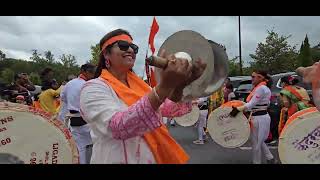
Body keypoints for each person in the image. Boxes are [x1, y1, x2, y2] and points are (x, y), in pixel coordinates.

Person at [79, 29, 206, 164]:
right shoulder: (93, 88)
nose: (130, 50)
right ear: (106, 53)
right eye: (123, 45)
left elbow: (169, 109)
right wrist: (165, 86)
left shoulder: (142, 87)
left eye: (134, 47)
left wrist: (182, 84)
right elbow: (118, 126)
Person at [230, 70, 276, 164]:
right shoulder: (261, 87)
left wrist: (238, 109)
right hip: (259, 116)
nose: (252, 79)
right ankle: (270, 158)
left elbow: (251, 104)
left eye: (253, 77)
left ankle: (257, 162)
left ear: (260, 78)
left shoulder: (261, 88)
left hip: (259, 118)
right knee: (259, 141)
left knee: (256, 143)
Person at [59, 63, 96, 164]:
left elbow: (63, 98)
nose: (93, 75)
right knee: (99, 146)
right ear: (84, 71)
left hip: (75, 121)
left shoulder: (69, 84)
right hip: (87, 121)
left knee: (80, 149)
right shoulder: (89, 85)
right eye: (91, 72)